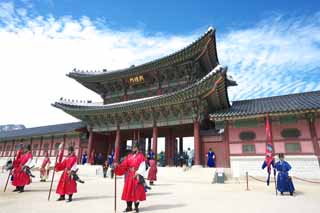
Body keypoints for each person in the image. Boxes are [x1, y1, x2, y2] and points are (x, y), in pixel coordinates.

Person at [114, 141, 146, 212]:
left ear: (137, 148)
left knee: (136, 191)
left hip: (136, 175)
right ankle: (129, 207)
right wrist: (117, 166)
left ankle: (136, 207)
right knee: (128, 191)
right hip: (129, 176)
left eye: (134, 147)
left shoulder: (141, 156)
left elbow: (142, 166)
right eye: (132, 147)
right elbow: (124, 165)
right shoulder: (129, 156)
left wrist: (138, 173)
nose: (133, 148)